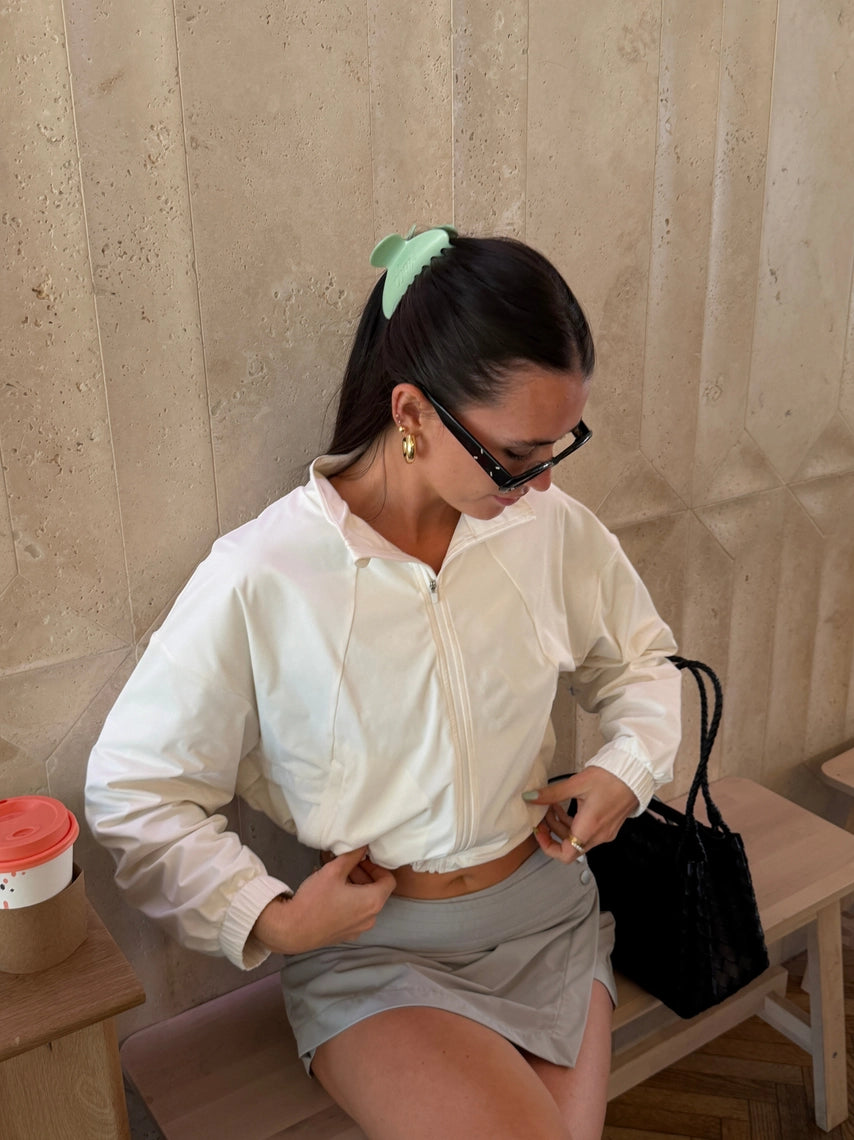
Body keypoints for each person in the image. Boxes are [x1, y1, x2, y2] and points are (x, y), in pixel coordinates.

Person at [86, 226, 681, 1140]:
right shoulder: (267, 574)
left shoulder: (547, 528)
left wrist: (626, 768)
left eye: (558, 448)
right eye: (516, 455)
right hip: (377, 951)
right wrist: (271, 918)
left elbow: (642, 661)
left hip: (547, 919)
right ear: (411, 414)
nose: (539, 483)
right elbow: (134, 787)